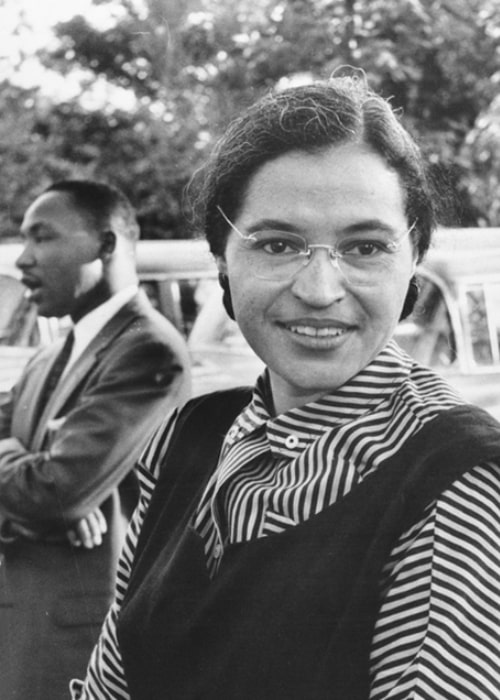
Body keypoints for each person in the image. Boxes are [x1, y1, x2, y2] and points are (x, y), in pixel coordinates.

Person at [72, 77, 500, 700]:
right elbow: (110, 684)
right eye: (278, 243)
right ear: (222, 259)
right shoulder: (191, 437)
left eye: (365, 247)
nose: (321, 289)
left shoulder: (459, 476)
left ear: (411, 264)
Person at [0, 179, 191, 699]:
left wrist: (41, 476)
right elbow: (50, 491)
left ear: (106, 245)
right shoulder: (50, 353)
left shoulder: (148, 351)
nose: (23, 261)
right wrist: (28, 464)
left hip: (80, 649)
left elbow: (54, 494)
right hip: (23, 630)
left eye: (42, 238)